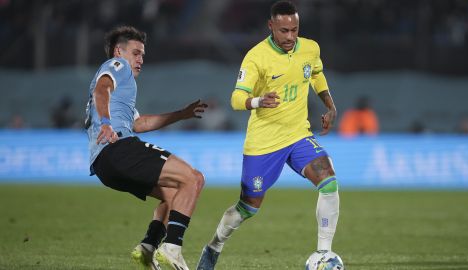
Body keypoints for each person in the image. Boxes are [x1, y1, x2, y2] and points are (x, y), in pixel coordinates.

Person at [196, 1, 340, 269]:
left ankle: (323, 254)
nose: (289, 37)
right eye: (283, 30)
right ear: (271, 26)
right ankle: (214, 246)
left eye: (294, 30)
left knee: (328, 181)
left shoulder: (310, 48)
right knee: (248, 207)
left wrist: (330, 106)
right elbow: (236, 99)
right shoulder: (256, 57)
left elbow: (316, 75)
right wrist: (258, 101)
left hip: (298, 135)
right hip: (264, 142)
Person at [85, 26, 208, 270]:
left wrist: (179, 115)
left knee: (176, 195)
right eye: (136, 53)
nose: (141, 59)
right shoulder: (116, 67)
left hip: (104, 165)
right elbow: (102, 89)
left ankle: (148, 247)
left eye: (143, 54)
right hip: (118, 147)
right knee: (194, 179)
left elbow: (139, 123)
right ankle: (172, 247)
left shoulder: (124, 92)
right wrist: (107, 123)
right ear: (119, 52)